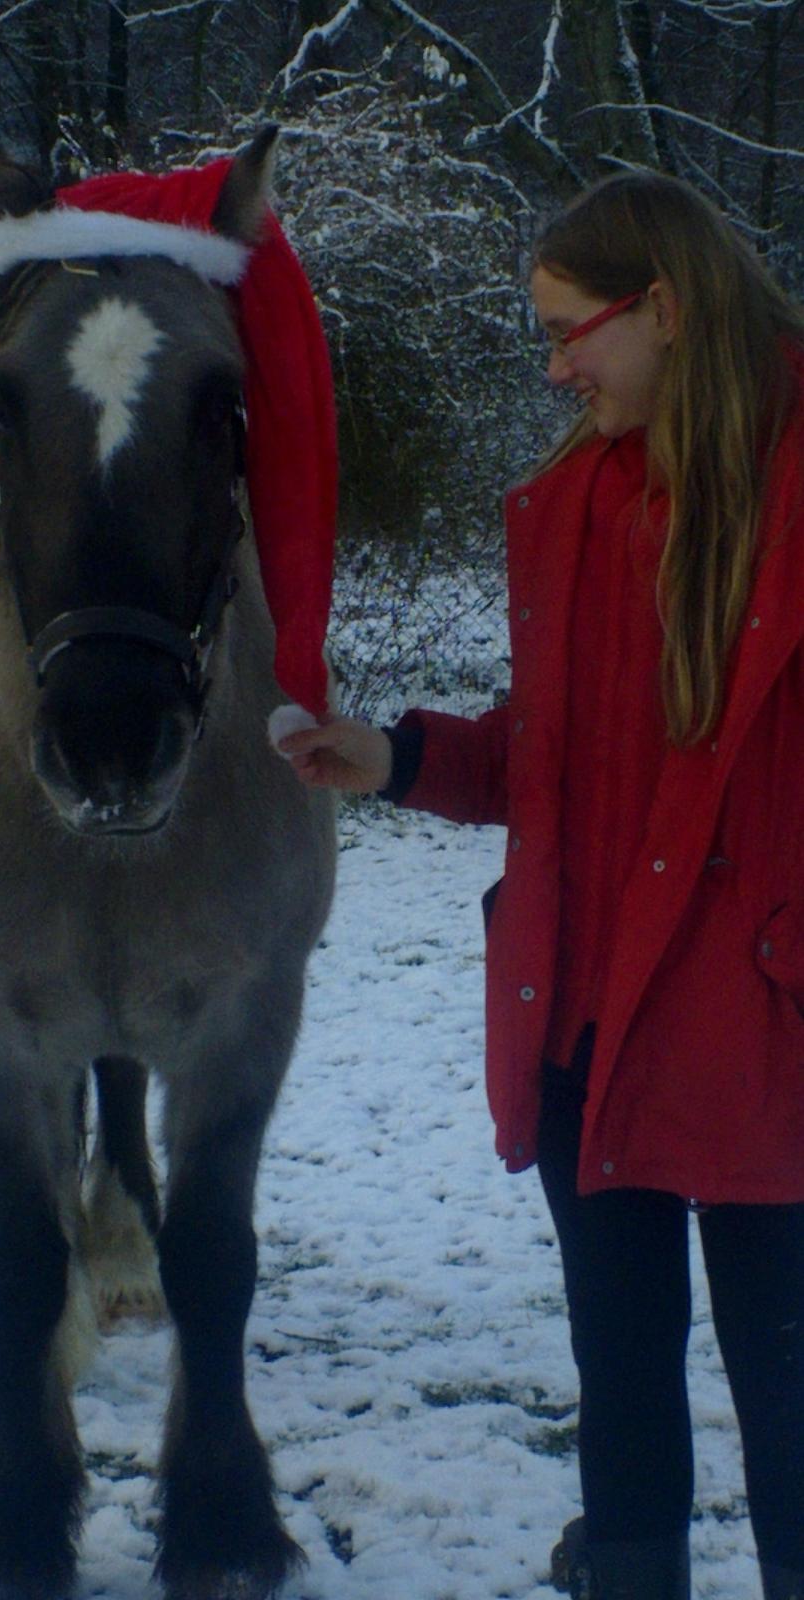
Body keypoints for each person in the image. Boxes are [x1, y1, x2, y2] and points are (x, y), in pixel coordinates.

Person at [277, 171, 804, 1600]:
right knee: (618, 1381)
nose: (557, 365)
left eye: (574, 331)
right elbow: (550, 760)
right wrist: (391, 757)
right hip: (586, 1018)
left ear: (669, 310)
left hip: (765, 1034)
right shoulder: (578, 500)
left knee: (788, 1407)